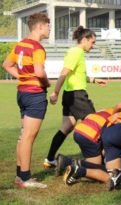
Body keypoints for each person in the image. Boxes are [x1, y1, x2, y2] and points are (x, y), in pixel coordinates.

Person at [43, 26, 107, 168]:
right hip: (77, 96)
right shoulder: (76, 53)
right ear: (84, 40)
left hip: (70, 95)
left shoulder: (77, 53)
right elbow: (64, 73)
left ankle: (49, 159)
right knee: (96, 125)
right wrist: (55, 93)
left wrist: (95, 80)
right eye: (93, 42)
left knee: (66, 127)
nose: (93, 45)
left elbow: (79, 75)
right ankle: (100, 162)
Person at [2, 13, 51, 188]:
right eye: (48, 25)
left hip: (22, 94)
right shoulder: (37, 48)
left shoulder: (20, 44)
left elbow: (6, 65)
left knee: (23, 136)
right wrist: (46, 82)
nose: (49, 29)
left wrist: (23, 77)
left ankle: (19, 175)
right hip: (34, 95)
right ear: (39, 27)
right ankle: (25, 178)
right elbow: (39, 72)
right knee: (28, 137)